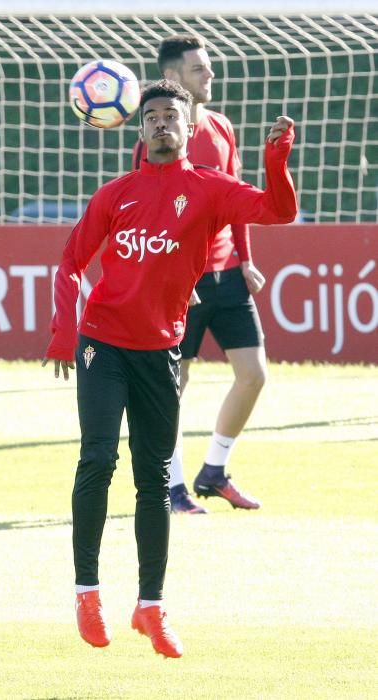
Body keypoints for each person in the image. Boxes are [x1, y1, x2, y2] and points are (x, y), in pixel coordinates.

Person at [43, 78, 297, 658]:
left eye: (171, 116)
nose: (161, 123)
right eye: (151, 115)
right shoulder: (115, 194)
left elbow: (277, 210)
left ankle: (151, 607)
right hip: (101, 344)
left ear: (188, 128)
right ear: (139, 128)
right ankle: (87, 594)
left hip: (161, 352)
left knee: (154, 479)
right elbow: (71, 261)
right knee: (97, 459)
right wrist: (64, 331)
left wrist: (275, 159)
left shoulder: (210, 190)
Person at [133, 35, 267, 514]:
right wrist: (168, 276)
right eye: (198, 70)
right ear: (172, 79)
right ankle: (170, 489)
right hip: (180, 281)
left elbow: (237, 198)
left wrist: (246, 258)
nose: (209, 76)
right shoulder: (154, 142)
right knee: (173, 386)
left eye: (207, 68)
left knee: (253, 375)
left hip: (228, 272)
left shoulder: (222, 126)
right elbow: (146, 216)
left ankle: (214, 472)